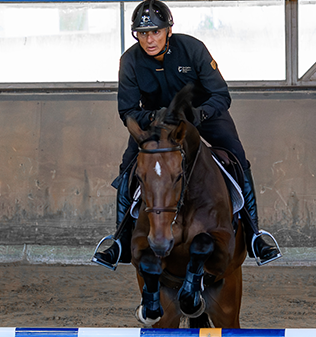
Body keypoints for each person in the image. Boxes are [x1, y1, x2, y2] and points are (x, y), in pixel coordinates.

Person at [93, 0, 282, 270]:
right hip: (157, 122)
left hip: (202, 116)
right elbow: (128, 111)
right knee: (128, 167)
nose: (149, 40)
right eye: (143, 34)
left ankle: (255, 236)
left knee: (238, 158)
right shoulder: (130, 61)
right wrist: (157, 118)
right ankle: (120, 241)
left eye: (155, 32)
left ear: (169, 30)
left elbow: (221, 95)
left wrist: (198, 115)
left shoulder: (193, 49)